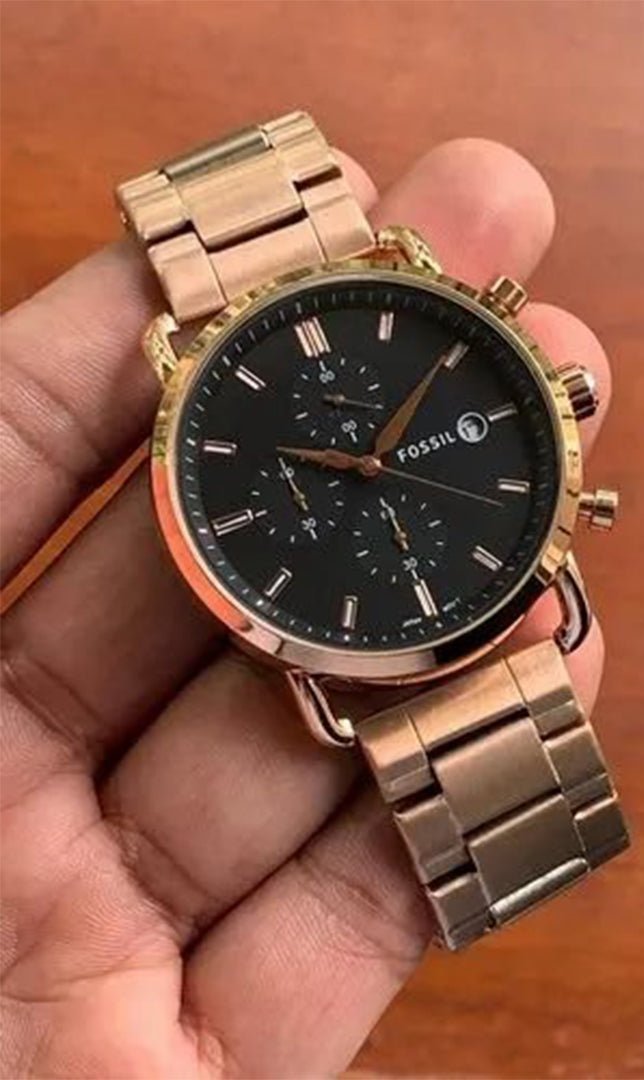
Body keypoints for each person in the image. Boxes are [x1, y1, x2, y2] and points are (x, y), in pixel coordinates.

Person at [1, 138, 611, 1077]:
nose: (369, 465)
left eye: (371, 458)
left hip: (445, 607)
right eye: (352, 463)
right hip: (352, 637)